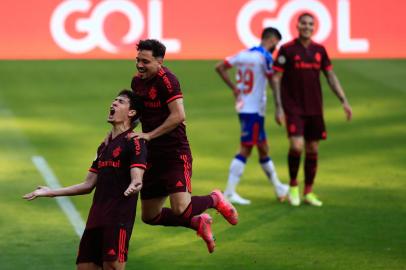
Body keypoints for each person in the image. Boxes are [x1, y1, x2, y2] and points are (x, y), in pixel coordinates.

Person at [130, 39, 238, 253]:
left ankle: (214, 198)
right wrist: (122, 131)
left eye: (145, 61)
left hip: (174, 152)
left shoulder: (168, 80)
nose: (140, 65)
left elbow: (179, 115)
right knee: (150, 216)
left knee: (180, 208)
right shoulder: (138, 82)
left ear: (160, 61)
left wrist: (149, 135)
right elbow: (138, 115)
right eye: (138, 60)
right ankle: (198, 223)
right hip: (152, 155)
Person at [23, 90, 147, 270]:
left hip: (117, 220)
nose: (113, 104)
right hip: (95, 220)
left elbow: (137, 177)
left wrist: (135, 184)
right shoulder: (104, 146)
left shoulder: (135, 142)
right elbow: (88, 184)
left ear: (131, 112)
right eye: (113, 101)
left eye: (120, 102)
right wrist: (50, 192)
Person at [272, 13, 353, 207]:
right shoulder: (287, 50)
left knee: (313, 148)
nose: (307, 27)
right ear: (298, 25)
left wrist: (344, 100)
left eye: (310, 24)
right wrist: (278, 107)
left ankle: (308, 191)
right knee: (296, 146)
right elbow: (275, 78)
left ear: (314, 27)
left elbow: (330, 76)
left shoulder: (320, 50)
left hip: (315, 108)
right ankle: (293, 186)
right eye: (304, 23)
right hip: (294, 108)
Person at [215, 27, 289, 205]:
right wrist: (279, 108)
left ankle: (278, 187)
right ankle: (229, 192)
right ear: (271, 40)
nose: (275, 48)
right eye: (276, 44)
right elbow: (273, 81)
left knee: (263, 148)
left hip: (244, 107)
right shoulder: (265, 57)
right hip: (253, 110)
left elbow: (220, 67)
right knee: (246, 149)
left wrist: (234, 88)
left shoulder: (243, 54)